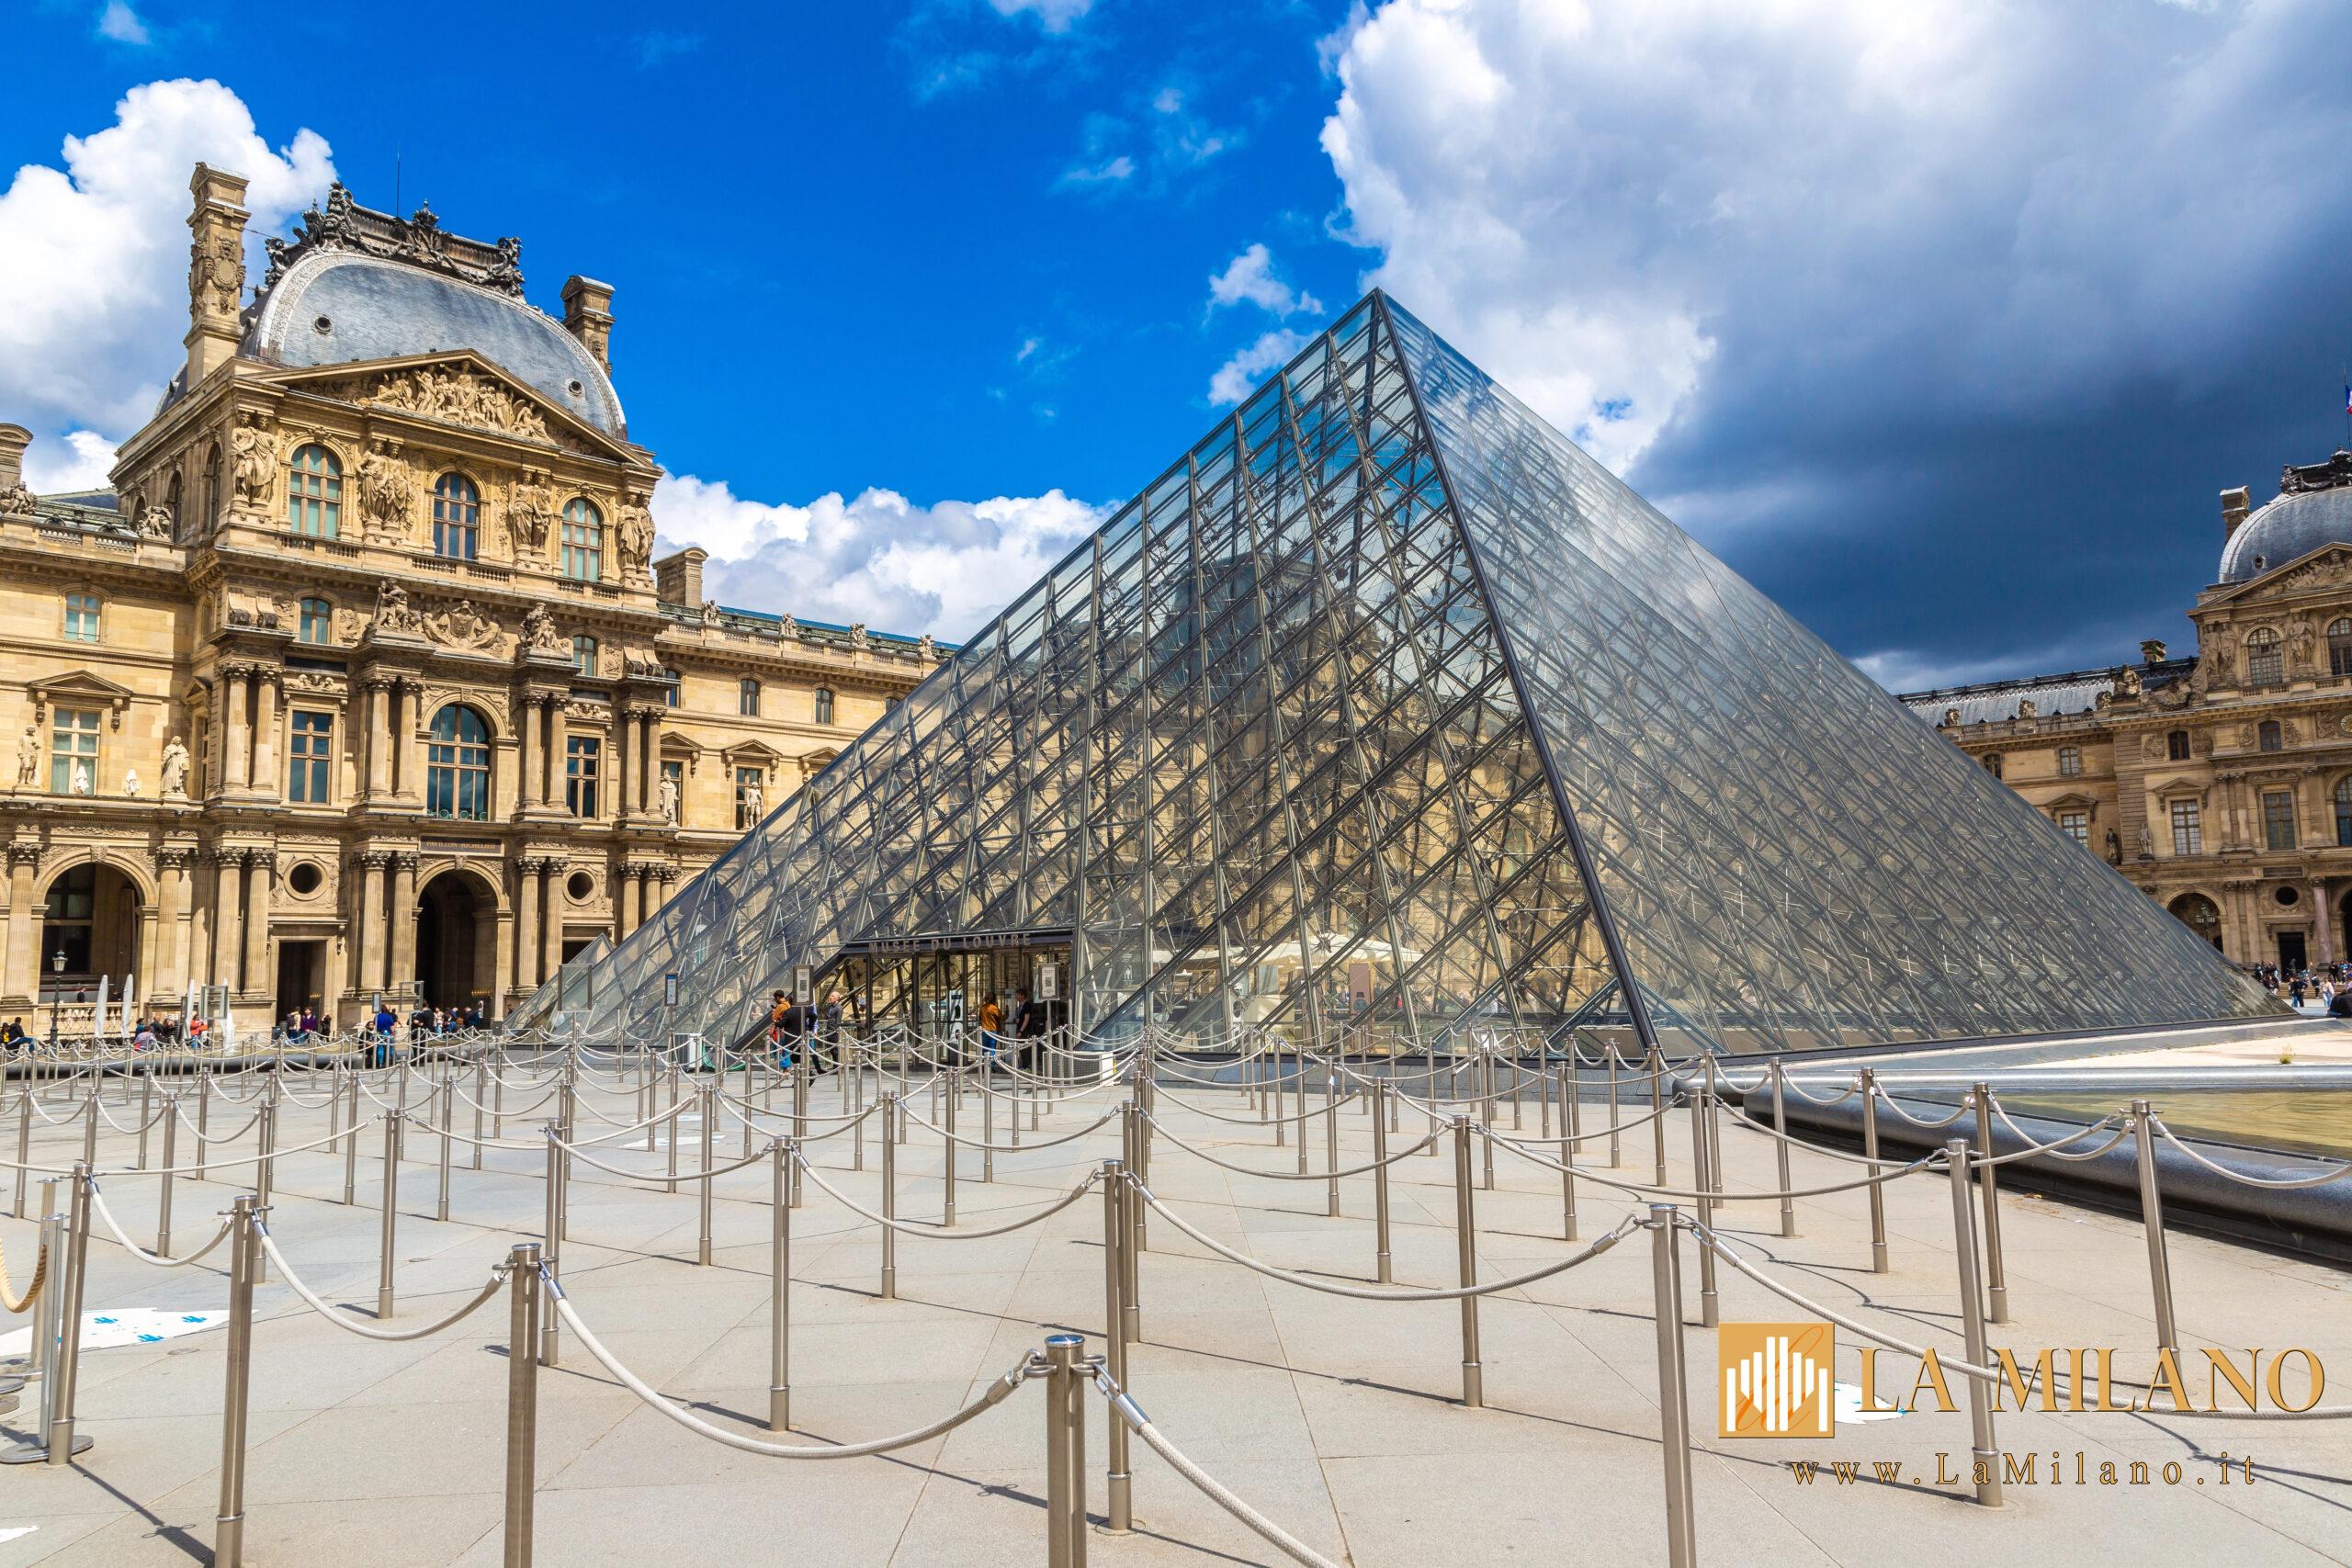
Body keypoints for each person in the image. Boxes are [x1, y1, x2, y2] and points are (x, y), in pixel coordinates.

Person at [1012, 987, 1044, 1074]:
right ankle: (1023, 1065)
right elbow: (1021, 1018)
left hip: (1026, 1030)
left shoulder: (1027, 1005)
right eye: (1016, 995)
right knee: (1021, 1048)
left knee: (1025, 1048)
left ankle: (1027, 1066)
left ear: (1023, 996)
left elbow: (1026, 1019)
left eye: (1018, 995)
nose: (1016, 997)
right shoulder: (1020, 1005)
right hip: (1020, 1029)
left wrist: (1021, 1031)